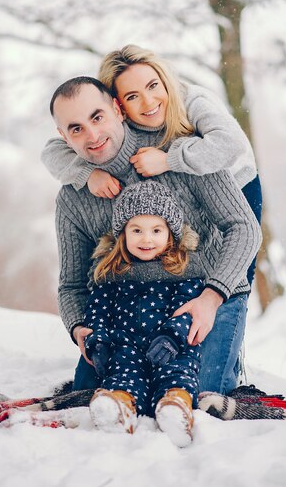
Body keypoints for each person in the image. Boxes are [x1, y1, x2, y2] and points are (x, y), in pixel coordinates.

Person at [46, 74, 262, 397]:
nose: (92, 135)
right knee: (92, 393)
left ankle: (227, 353)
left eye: (97, 117)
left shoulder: (181, 152)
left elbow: (245, 227)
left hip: (202, 295)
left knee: (198, 395)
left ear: (118, 110)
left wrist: (212, 298)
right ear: (63, 137)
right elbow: (72, 285)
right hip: (126, 309)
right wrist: (80, 327)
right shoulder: (74, 196)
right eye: (76, 129)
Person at [42, 44, 262, 289]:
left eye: (153, 86)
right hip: (191, 188)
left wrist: (168, 160)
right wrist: (87, 174)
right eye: (132, 96)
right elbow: (52, 151)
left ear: (164, 79)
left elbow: (231, 146)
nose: (148, 102)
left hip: (237, 179)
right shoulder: (122, 123)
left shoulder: (192, 101)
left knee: (238, 269)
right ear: (119, 107)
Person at [84, 180, 205, 447]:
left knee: (178, 372)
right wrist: (99, 342)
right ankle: (120, 407)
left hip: (170, 346)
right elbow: (97, 313)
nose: (146, 239)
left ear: (170, 233)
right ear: (123, 234)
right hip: (125, 346)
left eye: (156, 230)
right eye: (137, 230)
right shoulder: (111, 273)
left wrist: (172, 337)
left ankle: (175, 406)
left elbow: (188, 310)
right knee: (121, 374)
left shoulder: (182, 271)